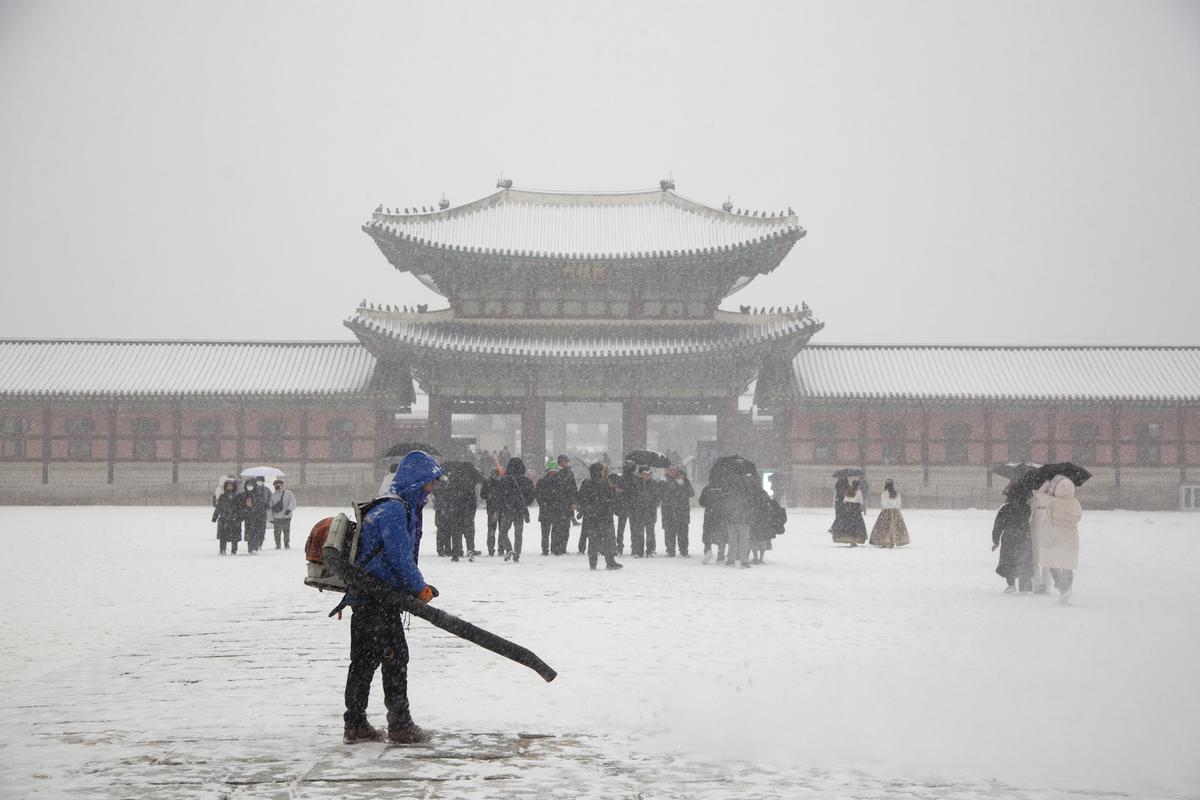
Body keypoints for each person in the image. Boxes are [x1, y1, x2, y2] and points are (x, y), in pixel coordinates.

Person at [342, 450, 444, 745]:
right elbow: (399, 557)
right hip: (378, 601)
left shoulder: (393, 508)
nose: (431, 489)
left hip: (367, 597)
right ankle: (400, 725)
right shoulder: (394, 511)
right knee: (395, 658)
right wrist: (418, 588)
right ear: (416, 481)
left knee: (363, 661)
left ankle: (355, 723)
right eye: (429, 483)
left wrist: (416, 586)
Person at [1041, 475, 1082, 604]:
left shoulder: (1051, 501)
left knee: (1051, 562)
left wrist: (1046, 485)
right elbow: (1078, 518)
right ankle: (1067, 589)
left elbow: (1038, 496)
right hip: (1071, 537)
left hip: (1054, 536)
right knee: (1068, 565)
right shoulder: (1075, 503)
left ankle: (1061, 586)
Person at [575, 462, 623, 570]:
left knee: (593, 541)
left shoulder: (586, 483)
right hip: (605, 516)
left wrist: (582, 511)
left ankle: (593, 563)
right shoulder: (606, 484)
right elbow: (611, 499)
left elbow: (581, 498)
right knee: (608, 540)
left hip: (591, 516)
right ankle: (610, 562)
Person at [992, 481, 1034, 593]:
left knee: (1009, 560)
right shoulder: (1027, 508)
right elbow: (1031, 522)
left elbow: (998, 525)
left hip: (1009, 538)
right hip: (1024, 537)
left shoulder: (1005, 508)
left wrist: (995, 540)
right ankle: (1023, 585)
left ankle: (1011, 584)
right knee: (1023, 560)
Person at [493, 457, 534, 562]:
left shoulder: (504, 480)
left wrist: (499, 509)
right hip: (520, 510)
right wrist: (525, 503)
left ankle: (509, 548)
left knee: (503, 532)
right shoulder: (526, 480)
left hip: (507, 510)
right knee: (518, 533)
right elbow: (531, 496)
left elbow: (498, 496)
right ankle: (517, 554)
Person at [723, 473, 758, 568]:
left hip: (732, 520)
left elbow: (727, 507)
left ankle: (731, 560)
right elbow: (751, 507)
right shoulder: (748, 494)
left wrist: (729, 516)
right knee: (744, 541)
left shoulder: (730, 493)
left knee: (732, 541)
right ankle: (744, 561)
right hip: (744, 521)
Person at [660, 465, 694, 557]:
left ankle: (684, 551)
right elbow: (662, 494)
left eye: (674, 470)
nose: (672, 472)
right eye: (670, 470)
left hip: (682, 511)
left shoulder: (685, 481)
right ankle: (670, 550)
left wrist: (682, 483)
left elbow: (691, 493)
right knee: (669, 532)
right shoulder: (664, 481)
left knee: (683, 532)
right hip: (668, 511)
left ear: (677, 470)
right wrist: (675, 484)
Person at [629, 466, 661, 557]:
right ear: (641, 475)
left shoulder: (654, 484)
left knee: (650, 532)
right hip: (639, 511)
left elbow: (657, 497)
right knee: (639, 532)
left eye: (648, 474)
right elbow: (633, 496)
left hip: (650, 511)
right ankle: (639, 551)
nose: (647, 476)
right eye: (645, 474)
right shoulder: (636, 483)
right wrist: (636, 505)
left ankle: (650, 550)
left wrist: (652, 503)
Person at [869, 479, 909, 548]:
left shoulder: (884, 493)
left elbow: (883, 503)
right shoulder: (897, 493)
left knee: (885, 527)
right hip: (895, 511)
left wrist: (885, 509)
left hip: (886, 511)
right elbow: (899, 504)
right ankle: (892, 541)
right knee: (894, 526)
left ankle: (885, 541)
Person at [829, 478, 867, 546]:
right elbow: (861, 501)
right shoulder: (859, 492)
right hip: (856, 509)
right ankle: (854, 540)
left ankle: (848, 538)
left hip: (848, 509)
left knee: (848, 524)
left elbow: (845, 500)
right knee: (856, 525)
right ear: (858, 485)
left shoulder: (848, 491)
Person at [699, 482, 728, 564]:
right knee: (722, 534)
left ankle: (708, 551)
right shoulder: (725, 488)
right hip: (722, 515)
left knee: (708, 534)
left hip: (709, 515)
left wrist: (709, 504)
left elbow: (701, 502)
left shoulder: (707, 488)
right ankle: (721, 555)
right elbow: (729, 502)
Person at [534, 459, 559, 556]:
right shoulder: (558, 480)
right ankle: (551, 548)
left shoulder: (542, 480)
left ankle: (547, 548)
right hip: (553, 509)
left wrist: (542, 503)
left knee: (547, 531)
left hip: (546, 509)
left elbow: (537, 493)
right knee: (551, 530)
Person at [212, 478, 242, 555]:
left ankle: (234, 550)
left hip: (234, 519)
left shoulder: (237, 496)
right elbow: (218, 507)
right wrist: (215, 516)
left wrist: (240, 516)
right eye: (228, 486)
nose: (229, 487)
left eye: (231, 486)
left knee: (234, 536)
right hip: (224, 519)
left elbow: (240, 507)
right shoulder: (223, 496)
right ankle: (222, 549)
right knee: (223, 536)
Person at [613, 461, 636, 555]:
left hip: (623, 505)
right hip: (631, 505)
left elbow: (618, 492)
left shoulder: (621, 478)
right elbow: (634, 492)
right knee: (632, 528)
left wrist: (621, 491)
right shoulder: (634, 479)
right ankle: (634, 547)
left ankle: (620, 546)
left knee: (621, 528)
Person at [240, 478, 269, 553]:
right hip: (248, 516)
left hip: (258, 516)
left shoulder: (259, 494)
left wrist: (254, 507)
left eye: (251, 485)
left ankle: (255, 547)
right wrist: (246, 507)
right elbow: (240, 505)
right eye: (248, 485)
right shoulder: (243, 494)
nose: (249, 486)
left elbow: (262, 505)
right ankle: (250, 547)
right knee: (249, 532)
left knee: (256, 531)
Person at [480, 466, 503, 556]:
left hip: (492, 509)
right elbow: (483, 495)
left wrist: (488, 496)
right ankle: (499, 549)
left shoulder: (487, 482)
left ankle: (491, 548)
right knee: (500, 530)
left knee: (492, 530)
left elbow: (482, 495)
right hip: (499, 509)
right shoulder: (502, 482)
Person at [269, 478, 297, 549]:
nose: (278, 486)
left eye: (280, 484)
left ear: (282, 485)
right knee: (277, 532)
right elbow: (270, 508)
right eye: (276, 485)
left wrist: (289, 509)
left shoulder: (289, 493)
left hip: (286, 516)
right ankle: (278, 544)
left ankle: (286, 544)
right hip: (276, 517)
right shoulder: (272, 495)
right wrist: (270, 518)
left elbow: (293, 502)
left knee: (286, 531)